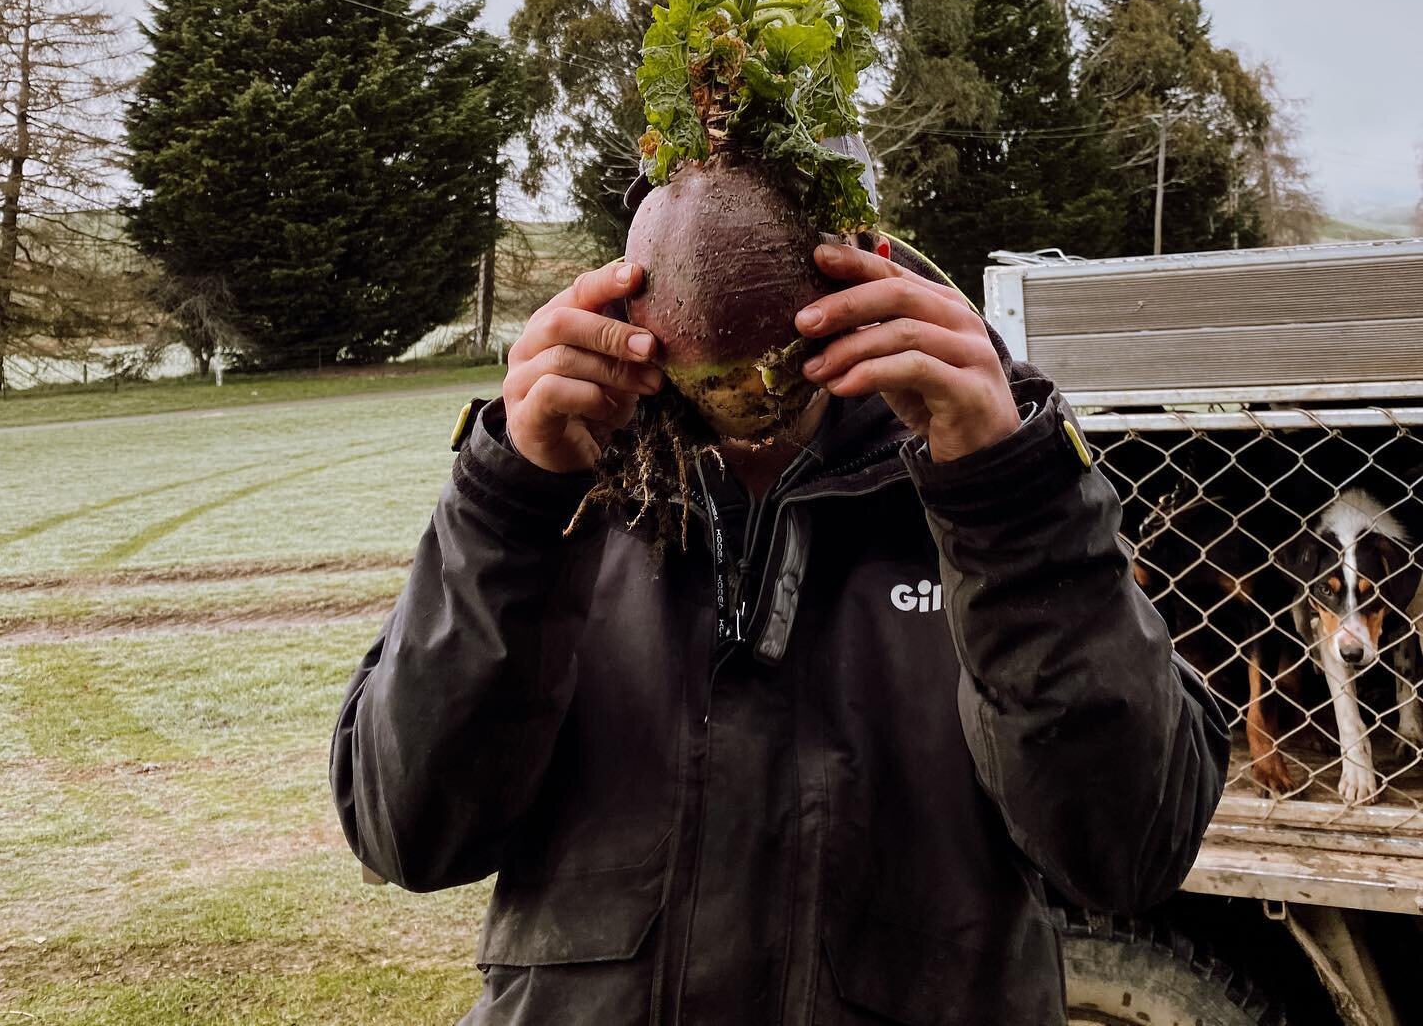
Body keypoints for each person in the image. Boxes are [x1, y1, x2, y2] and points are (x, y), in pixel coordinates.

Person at [330, 163, 1230, 1025]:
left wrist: (1006, 495)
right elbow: (406, 826)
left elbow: (1131, 847)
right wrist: (509, 499)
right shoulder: (563, 477)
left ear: (860, 255)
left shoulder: (987, 473)